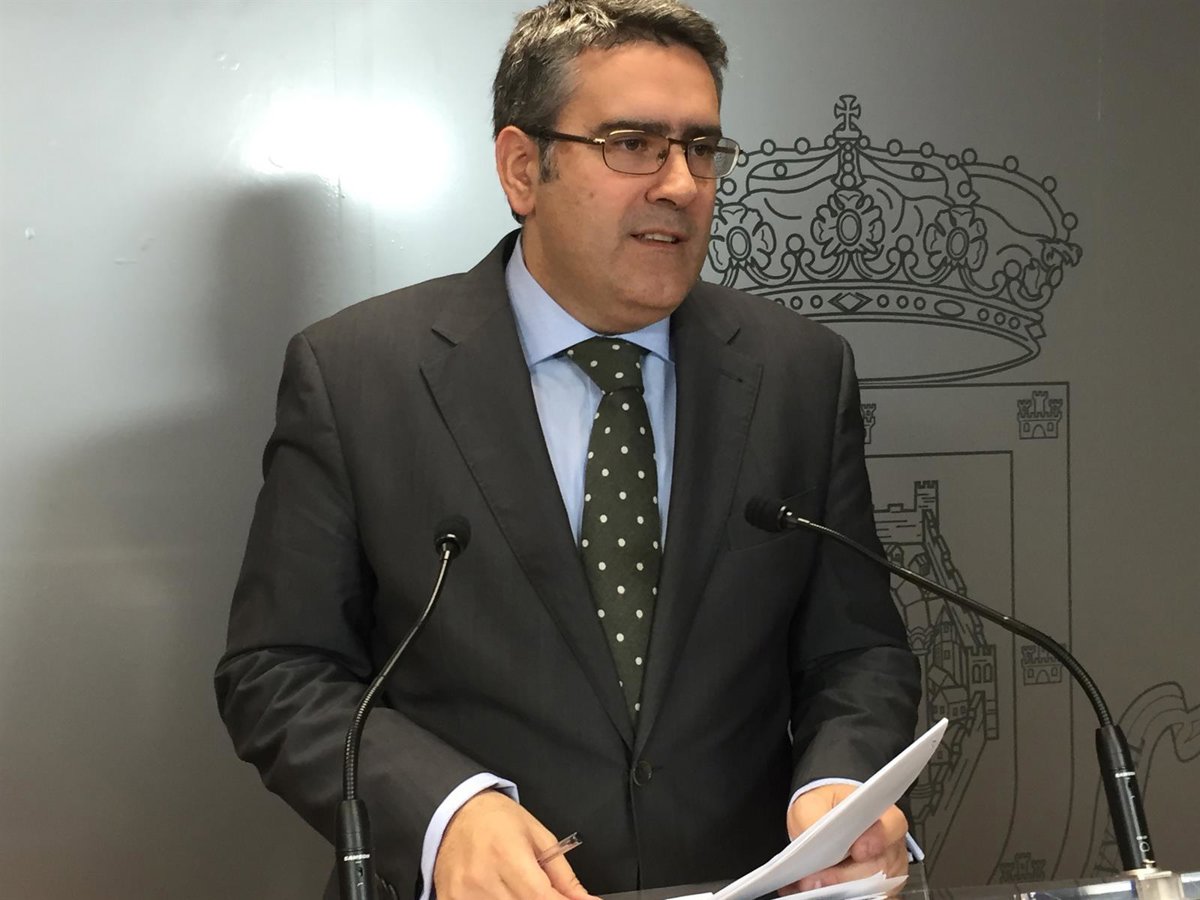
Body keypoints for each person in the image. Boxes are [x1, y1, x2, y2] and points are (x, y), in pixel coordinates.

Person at [215, 2, 921, 898]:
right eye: (634, 144)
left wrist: (840, 786)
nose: (681, 184)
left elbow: (855, 650)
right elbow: (278, 670)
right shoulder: (357, 375)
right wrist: (443, 812)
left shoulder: (800, 372)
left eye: (702, 148)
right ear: (523, 168)